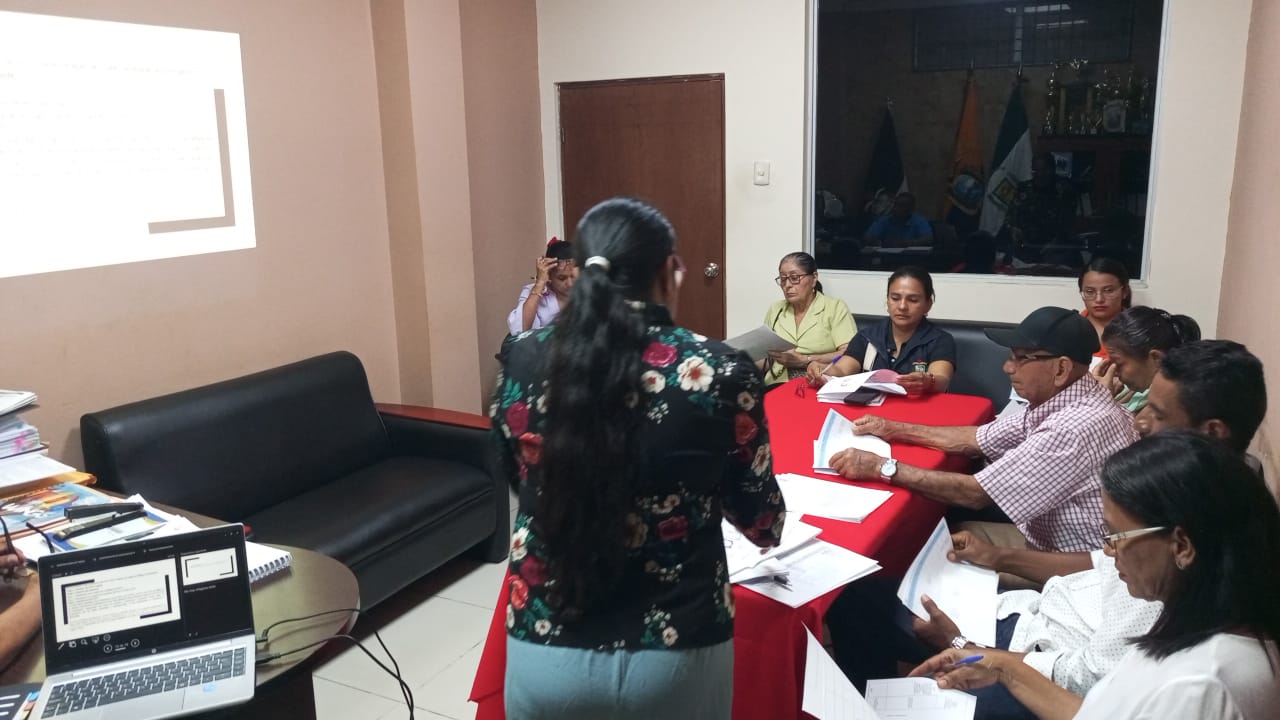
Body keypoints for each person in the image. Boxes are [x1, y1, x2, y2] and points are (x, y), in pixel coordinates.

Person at [829, 340, 1270, 714]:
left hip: (1044, 660)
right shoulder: (1206, 504)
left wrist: (971, 646)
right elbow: (1099, 567)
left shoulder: (1186, 578)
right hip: (1038, 622)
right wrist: (998, 559)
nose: (1138, 420)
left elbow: (1090, 679)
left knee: (862, 608)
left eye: (1157, 413)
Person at [490, 197, 785, 719]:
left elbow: (519, 475)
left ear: (583, 271)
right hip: (676, 648)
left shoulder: (523, 356)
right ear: (669, 273)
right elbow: (761, 521)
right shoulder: (720, 369)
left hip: (546, 635)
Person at [911, 432, 1280, 720]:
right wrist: (1004, 668)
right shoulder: (1194, 618)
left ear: (1181, 546)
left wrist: (981, 652)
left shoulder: (1199, 686)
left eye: (1116, 536)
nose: (1107, 551)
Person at [828, 307, 1136, 553]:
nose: (1007, 367)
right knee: (924, 532)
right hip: (1045, 530)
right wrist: (892, 428)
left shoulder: (1071, 427)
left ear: (1061, 368)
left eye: (1020, 358)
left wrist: (880, 467)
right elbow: (978, 438)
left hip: (1070, 561)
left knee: (906, 550)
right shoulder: (1070, 397)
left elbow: (975, 493)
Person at [805, 266, 956, 394]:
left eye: (913, 300)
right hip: (871, 411)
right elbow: (842, 370)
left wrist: (928, 381)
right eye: (895, 298)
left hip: (919, 411)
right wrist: (822, 370)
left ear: (928, 305)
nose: (902, 306)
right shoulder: (868, 336)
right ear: (887, 300)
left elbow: (942, 380)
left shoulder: (940, 340)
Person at [761, 252, 856, 385]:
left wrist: (805, 360)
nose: (787, 285)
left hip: (817, 381)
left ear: (814, 278)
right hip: (777, 382)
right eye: (783, 279)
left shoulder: (834, 308)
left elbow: (850, 353)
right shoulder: (776, 309)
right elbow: (766, 357)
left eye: (794, 278)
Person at [1091, 306, 1200, 413]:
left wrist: (1100, 401)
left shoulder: (1173, 406)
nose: (1114, 372)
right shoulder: (1132, 388)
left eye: (1118, 363)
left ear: (1156, 358)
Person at [1006, 152, 1078, 263]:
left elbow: (1068, 224)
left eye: (1044, 170)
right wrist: (1013, 228)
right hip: (1027, 248)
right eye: (1035, 171)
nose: (1039, 175)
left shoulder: (1064, 190)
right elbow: (1011, 215)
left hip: (1056, 249)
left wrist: (1056, 243)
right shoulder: (1023, 189)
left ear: (1052, 170)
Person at [506, 239, 577, 335]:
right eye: (561, 278)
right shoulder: (533, 291)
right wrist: (540, 283)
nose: (570, 284)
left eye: (573, 277)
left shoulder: (587, 290)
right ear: (549, 274)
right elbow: (519, 330)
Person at [1076, 257, 1132, 354]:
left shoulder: (1139, 330)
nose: (1099, 299)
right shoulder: (1071, 328)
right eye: (1090, 291)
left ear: (1124, 292)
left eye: (1108, 291)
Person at [865, 192, 934, 248]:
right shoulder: (885, 220)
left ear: (911, 209)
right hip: (887, 256)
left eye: (901, 206)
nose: (896, 208)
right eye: (895, 204)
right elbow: (867, 237)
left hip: (911, 257)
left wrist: (907, 243)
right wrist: (880, 243)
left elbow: (929, 239)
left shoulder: (919, 221)